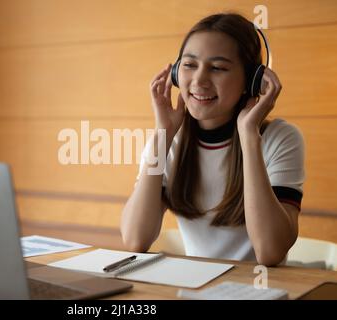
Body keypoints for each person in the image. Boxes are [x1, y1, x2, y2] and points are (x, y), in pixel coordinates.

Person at [120, 13, 305, 266]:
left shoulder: (280, 139)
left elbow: (269, 252)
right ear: (175, 73)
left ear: (251, 81)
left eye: (218, 68)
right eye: (189, 65)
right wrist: (162, 135)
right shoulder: (168, 143)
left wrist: (249, 136)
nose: (199, 80)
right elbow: (134, 239)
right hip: (196, 288)